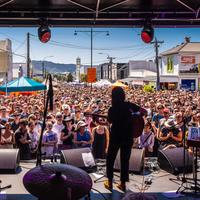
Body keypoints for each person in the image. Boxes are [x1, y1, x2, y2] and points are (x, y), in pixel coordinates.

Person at [104, 86, 147, 192]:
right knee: (125, 160)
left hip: (115, 137)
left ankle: (109, 182)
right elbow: (144, 111)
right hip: (128, 137)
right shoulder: (129, 105)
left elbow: (109, 121)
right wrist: (137, 117)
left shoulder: (112, 109)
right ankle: (122, 184)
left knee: (110, 159)